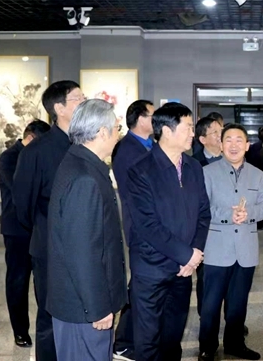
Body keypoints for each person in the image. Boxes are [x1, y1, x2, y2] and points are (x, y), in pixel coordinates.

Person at [126, 103, 211, 361]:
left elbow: (204, 214)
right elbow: (147, 225)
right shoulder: (141, 170)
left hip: (183, 271)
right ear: (166, 130)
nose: (193, 134)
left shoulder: (193, 167)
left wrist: (194, 254)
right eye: (188, 128)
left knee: (173, 339)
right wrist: (186, 255)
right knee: (148, 342)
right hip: (151, 269)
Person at [46, 99, 128, 361]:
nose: (118, 135)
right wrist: (97, 307)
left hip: (81, 304)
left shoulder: (82, 163)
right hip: (83, 308)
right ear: (102, 132)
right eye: (117, 128)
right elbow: (82, 252)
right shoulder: (85, 178)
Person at [13, 80, 85, 361]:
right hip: (49, 248)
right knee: (49, 317)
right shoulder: (36, 151)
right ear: (59, 108)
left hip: (83, 247)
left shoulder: (84, 144)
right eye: (78, 99)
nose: (84, 103)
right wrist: (46, 229)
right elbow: (23, 206)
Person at [198, 123, 263, 361]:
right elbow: (201, 208)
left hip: (246, 250)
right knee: (210, 304)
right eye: (228, 140)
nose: (233, 145)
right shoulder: (207, 172)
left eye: (239, 140)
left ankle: (234, 344)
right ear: (220, 145)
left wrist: (249, 213)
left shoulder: (257, 174)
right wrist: (226, 215)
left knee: (238, 303)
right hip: (216, 249)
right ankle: (207, 347)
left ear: (247, 146)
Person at [0, 119, 51, 348]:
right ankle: (20, 331)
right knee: (18, 281)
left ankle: (46, 329)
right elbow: (22, 190)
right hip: (17, 231)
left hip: (38, 228)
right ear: (30, 138)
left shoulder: (37, 155)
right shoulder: (9, 158)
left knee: (43, 280)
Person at [111, 99, 155, 361]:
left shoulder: (149, 144)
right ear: (140, 119)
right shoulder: (127, 149)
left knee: (144, 285)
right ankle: (123, 341)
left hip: (152, 226)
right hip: (140, 226)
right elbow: (136, 193)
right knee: (138, 285)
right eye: (152, 115)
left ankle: (137, 337)